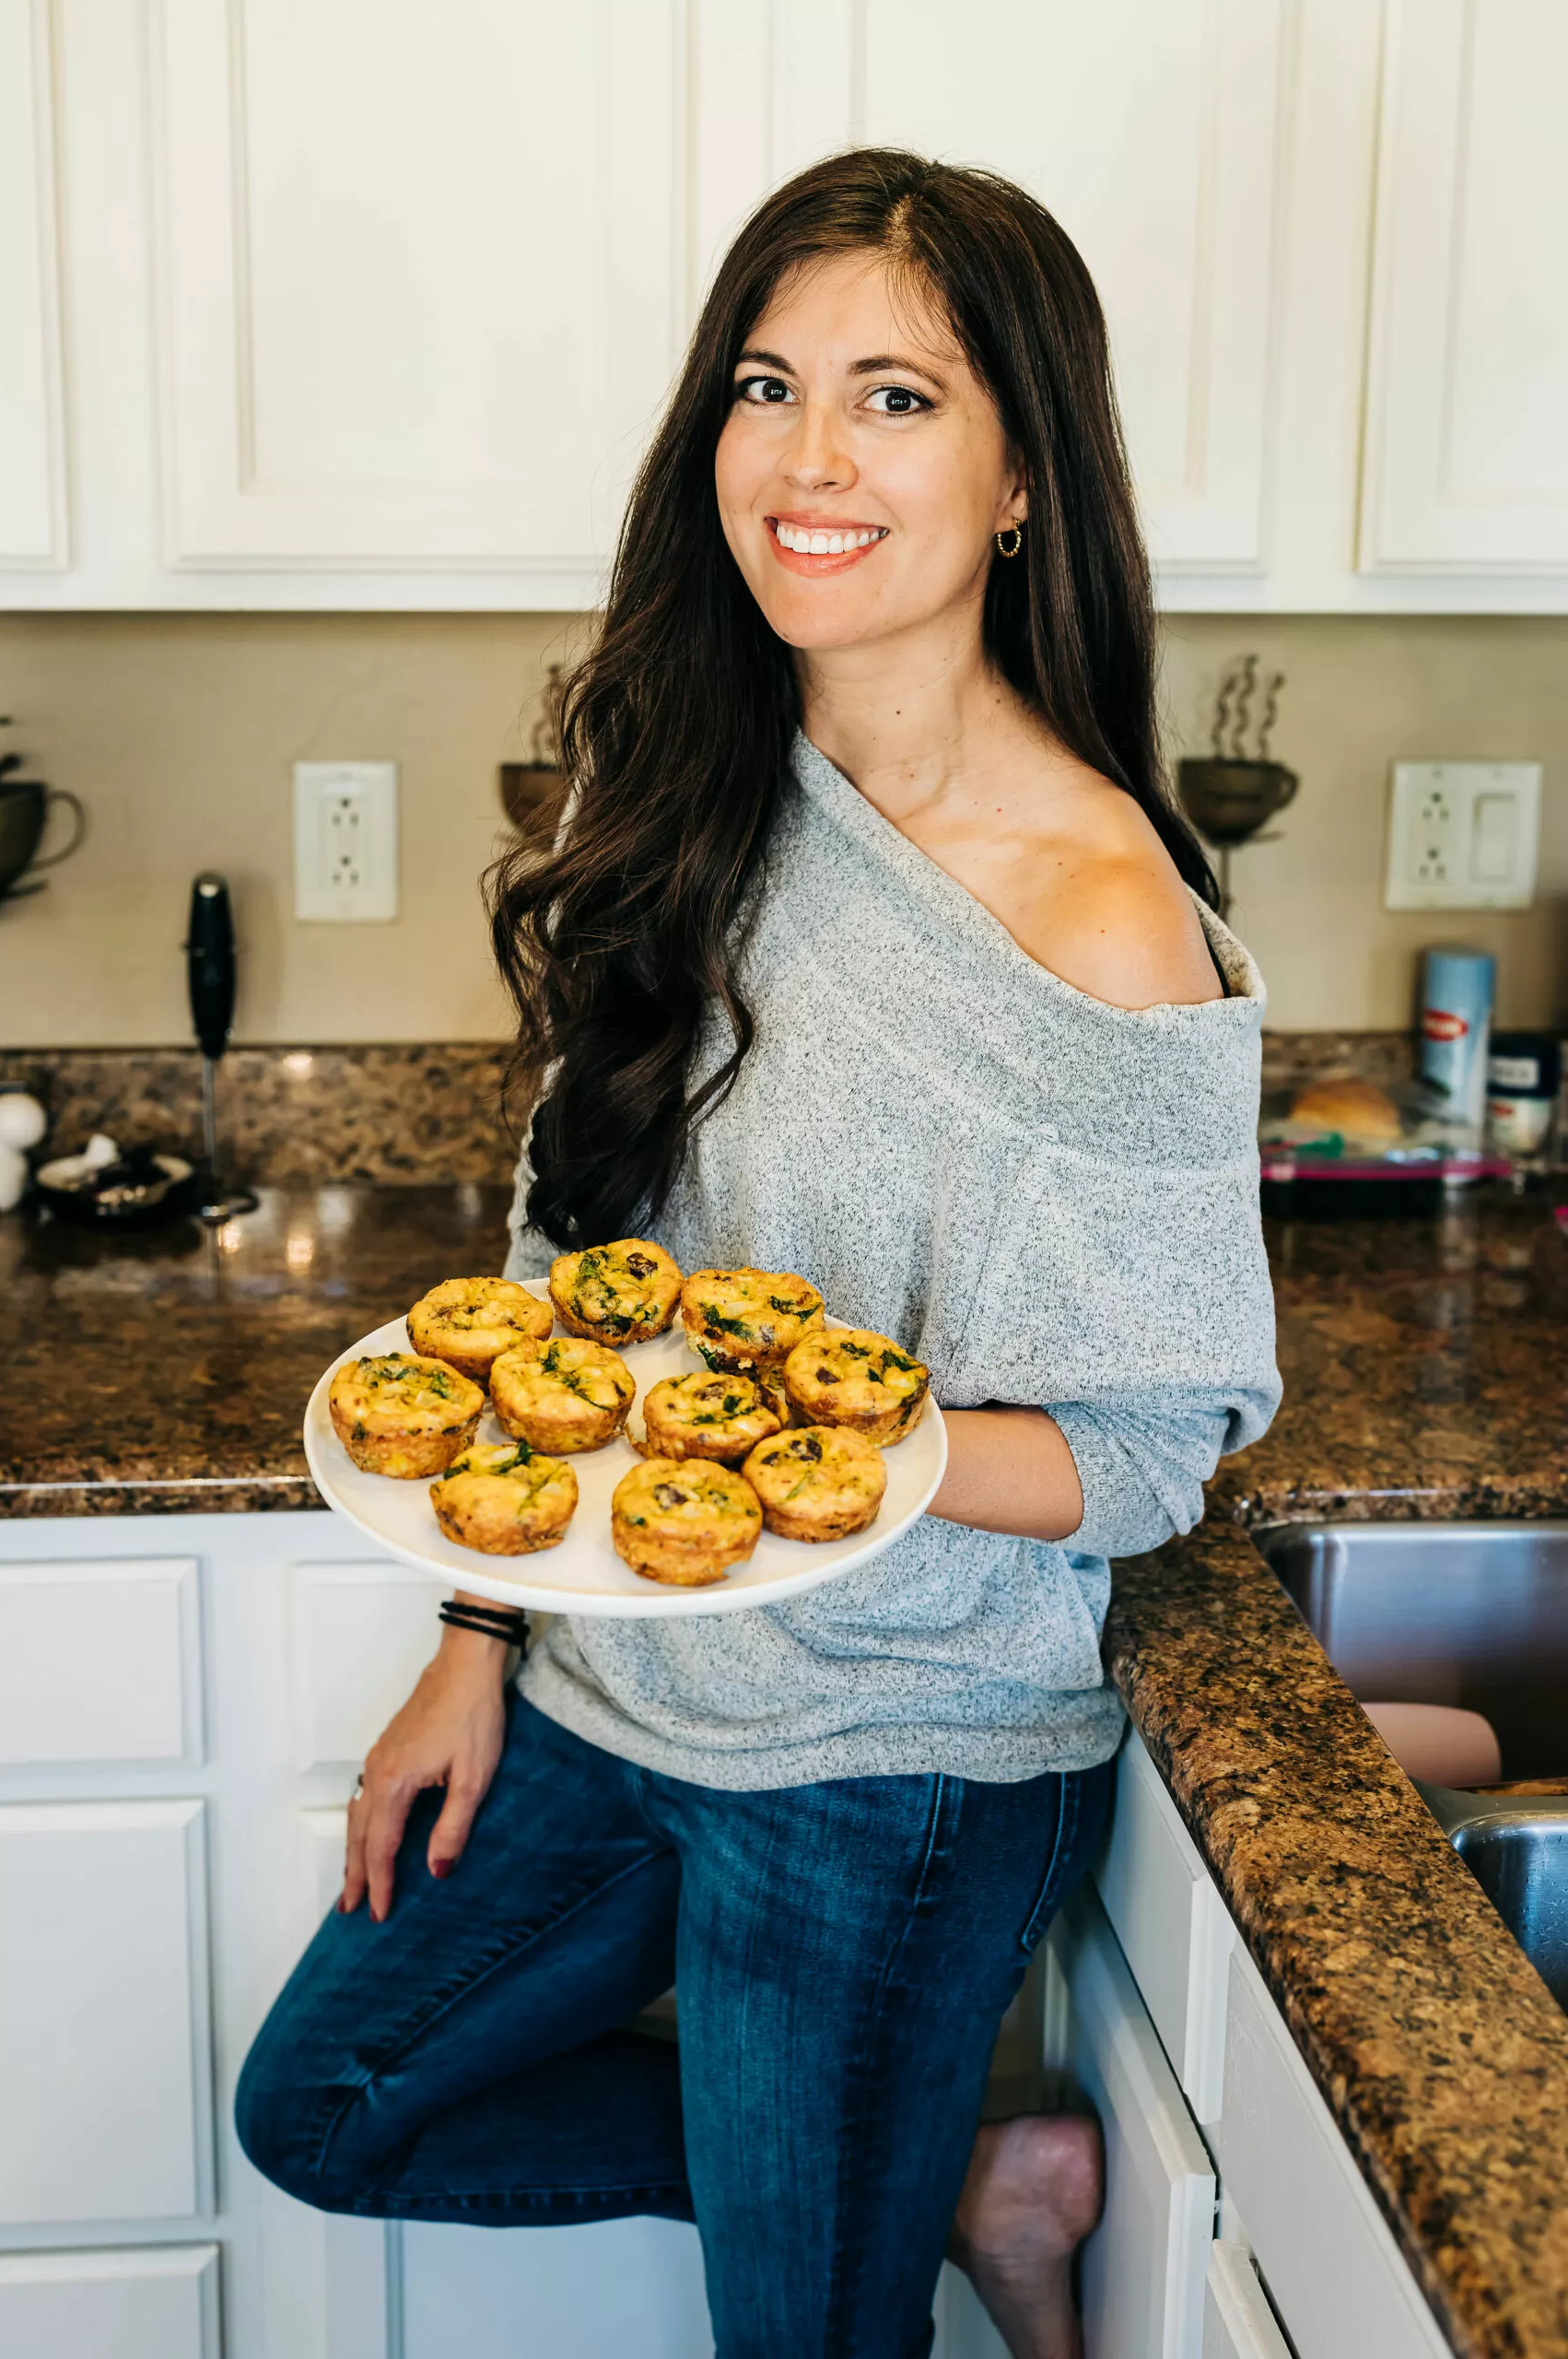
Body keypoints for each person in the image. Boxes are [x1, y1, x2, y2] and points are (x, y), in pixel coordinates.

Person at [237, 148, 1280, 2359]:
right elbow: (570, 1240)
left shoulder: (1101, 907)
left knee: (795, 2332)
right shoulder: (697, 776)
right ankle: (964, 2171)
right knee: (328, 2102)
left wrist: (846, 1461)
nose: (808, 459)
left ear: (1020, 478)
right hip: (619, 1688)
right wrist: (475, 1622)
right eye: (766, 383)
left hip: (892, 1750)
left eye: (895, 398)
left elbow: (1151, 1446)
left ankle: (885, 2182)